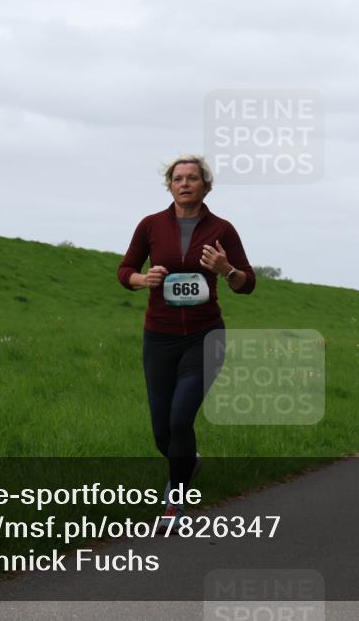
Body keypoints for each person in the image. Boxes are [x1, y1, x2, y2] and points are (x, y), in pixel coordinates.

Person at [117, 155, 256, 529]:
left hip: (204, 336)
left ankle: (174, 503)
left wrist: (226, 270)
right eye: (178, 178)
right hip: (158, 336)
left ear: (205, 186)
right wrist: (141, 281)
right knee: (162, 430)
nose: (185, 183)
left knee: (181, 419)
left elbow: (248, 283)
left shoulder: (222, 229)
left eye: (192, 178)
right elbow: (125, 269)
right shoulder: (150, 225)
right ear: (170, 185)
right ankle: (188, 462)